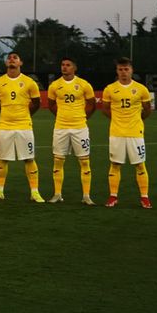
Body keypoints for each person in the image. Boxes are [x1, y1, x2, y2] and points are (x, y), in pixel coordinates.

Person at [0, 51, 43, 202]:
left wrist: (24, 114)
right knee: (2, 159)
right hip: (4, 126)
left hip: (24, 126)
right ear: (6, 63)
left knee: (29, 159)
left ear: (20, 63)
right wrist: (8, 113)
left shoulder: (29, 82)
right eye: (9, 58)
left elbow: (37, 103)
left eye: (15, 58)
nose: (11, 60)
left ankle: (34, 192)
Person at [101, 57, 153, 209]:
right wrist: (118, 120)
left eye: (126, 69)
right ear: (117, 71)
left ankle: (144, 197)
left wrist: (137, 119)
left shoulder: (141, 89)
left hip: (135, 133)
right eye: (120, 69)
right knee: (115, 164)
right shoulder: (110, 89)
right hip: (116, 132)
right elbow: (105, 109)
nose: (123, 72)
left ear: (131, 70)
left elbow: (148, 109)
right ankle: (113, 196)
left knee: (139, 165)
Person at [46, 57, 97, 204]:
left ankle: (86, 196)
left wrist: (81, 117)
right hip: (61, 128)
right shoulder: (55, 85)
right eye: (62, 65)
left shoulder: (83, 84)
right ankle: (57, 194)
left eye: (68, 65)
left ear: (74, 68)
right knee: (58, 161)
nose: (64, 67)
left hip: (80, 128)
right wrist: (63, 116)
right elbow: (51, 105)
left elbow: (91, 104)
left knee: (84, 162)